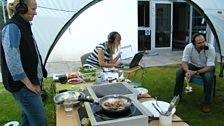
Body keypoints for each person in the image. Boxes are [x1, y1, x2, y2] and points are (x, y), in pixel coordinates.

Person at [1, 0, 48, 125]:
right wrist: (30, 84)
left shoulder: (23, 24)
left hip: (27, 84)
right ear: (22, 8)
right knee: (39, 122)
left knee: (28, 117)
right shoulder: (12, 27)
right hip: (23, 86)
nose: (35, 13)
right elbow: (13, 61)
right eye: (33, 9)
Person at [173, 33, 216, 113]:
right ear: (194, 43)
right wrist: (187, 71)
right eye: (199, 43)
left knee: (208, 78)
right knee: (179, 72)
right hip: (193, 65)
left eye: (203, 41)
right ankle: (176, 97)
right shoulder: (189, 47)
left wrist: (195, 72)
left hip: (206, 68)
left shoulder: (210, 48)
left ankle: (207, 103)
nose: (202, 44)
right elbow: (184, 62)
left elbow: (210, 67)